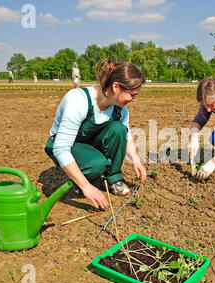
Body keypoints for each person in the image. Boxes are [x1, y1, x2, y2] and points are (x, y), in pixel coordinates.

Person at [45, 58, 147, 210]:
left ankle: (113, 179)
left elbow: (126, 135)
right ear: (116, 87)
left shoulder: (120, 107)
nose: (133, 99)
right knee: (96, 164)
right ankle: (82, 180)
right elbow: (61, 149)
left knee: (118, 129)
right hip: (66, 145)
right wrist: (86, 187)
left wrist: (136, 160)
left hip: (90, 142)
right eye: (132, 94)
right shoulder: (78, 100)